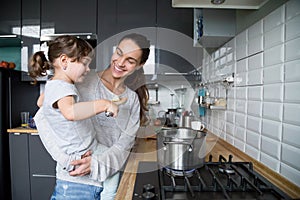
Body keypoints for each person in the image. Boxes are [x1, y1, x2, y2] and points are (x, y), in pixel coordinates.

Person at [34, 33, 151, 200]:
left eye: (130, 61)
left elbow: (124, 145)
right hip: (75, 183)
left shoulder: (132, 100)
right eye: (119, 53)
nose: (120, 62)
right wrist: (64, 158)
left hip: (110, 183)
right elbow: (43, 116)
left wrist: (96, 165)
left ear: (140, 65)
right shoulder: (80, 77)